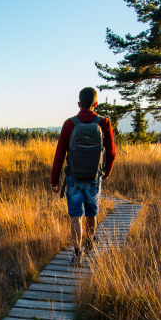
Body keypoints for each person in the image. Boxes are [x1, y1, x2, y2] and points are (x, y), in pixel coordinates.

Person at [50, 87, 116, 265]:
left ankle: (77, 252)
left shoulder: (69, 124)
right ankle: (89, 242)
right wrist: (106, 172)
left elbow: (59, 154)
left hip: (74, 178)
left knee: (75, 216)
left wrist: (54, 180)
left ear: (79, 104)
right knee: (91, 212)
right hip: (94, 177)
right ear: (95, 104)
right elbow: (111, 152)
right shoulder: (104, 123)